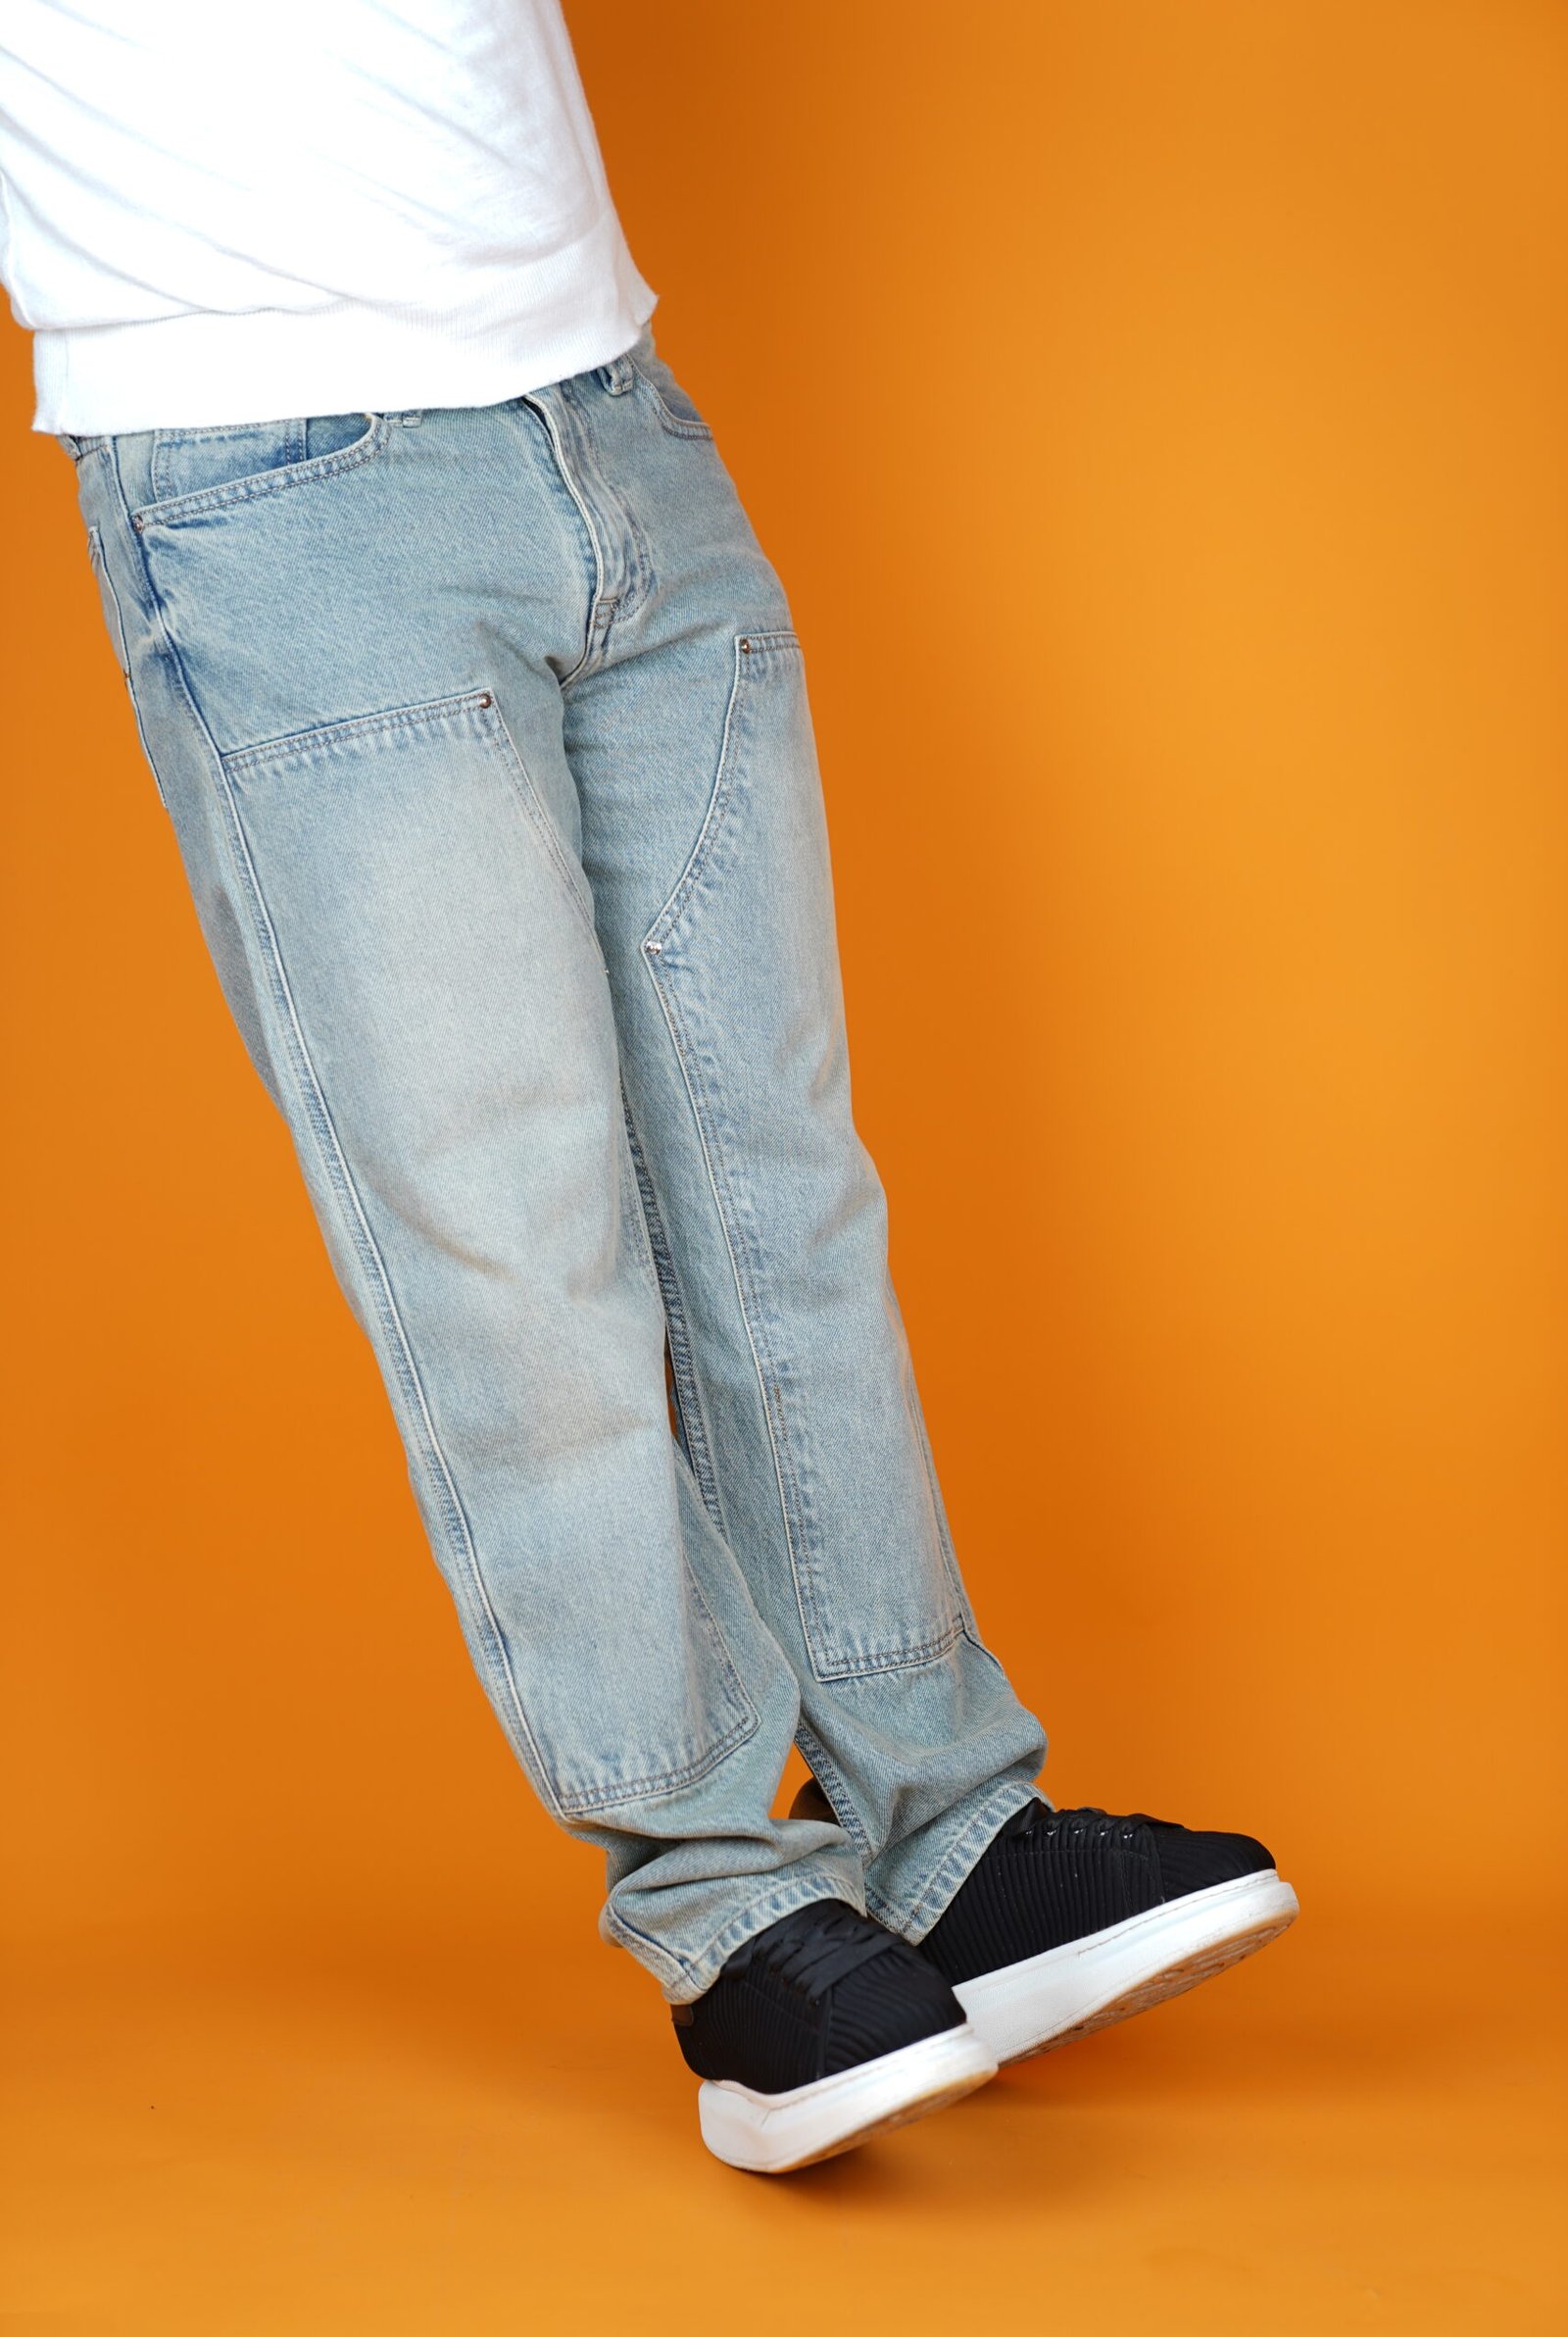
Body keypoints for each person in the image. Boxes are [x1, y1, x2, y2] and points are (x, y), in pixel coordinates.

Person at [0, 0, 1298, 2173]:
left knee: (778, 1185)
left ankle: (946, 1831)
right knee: (512, 1238)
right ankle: (722, 1904)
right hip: (268, 478)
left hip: (607, 407)